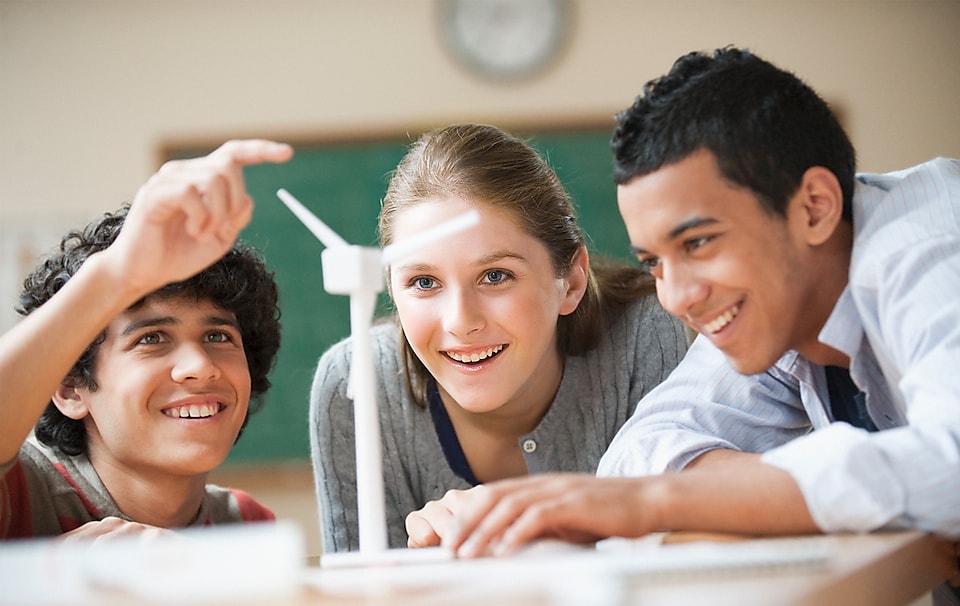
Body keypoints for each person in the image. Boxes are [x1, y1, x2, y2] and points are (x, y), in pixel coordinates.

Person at [415, 47, 960, 594]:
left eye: (698, 242)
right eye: (654, 262)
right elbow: (641, 454)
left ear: (814, 207)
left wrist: (655, 503)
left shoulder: (928, 249)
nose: (676, 297)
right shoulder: (776, 310)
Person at [309, 123, 689, 552]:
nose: (461, 321)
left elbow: (674, 562)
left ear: (572, 281)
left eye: (495, 276)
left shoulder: (643, 337)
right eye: (424, 282)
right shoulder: (353, 383)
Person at [0, 139, 294, 540]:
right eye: (152, 337)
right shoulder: (19, 497)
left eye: (217, 335)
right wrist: (117, 272)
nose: (200, 366)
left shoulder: (244, 524)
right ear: (70, 388)